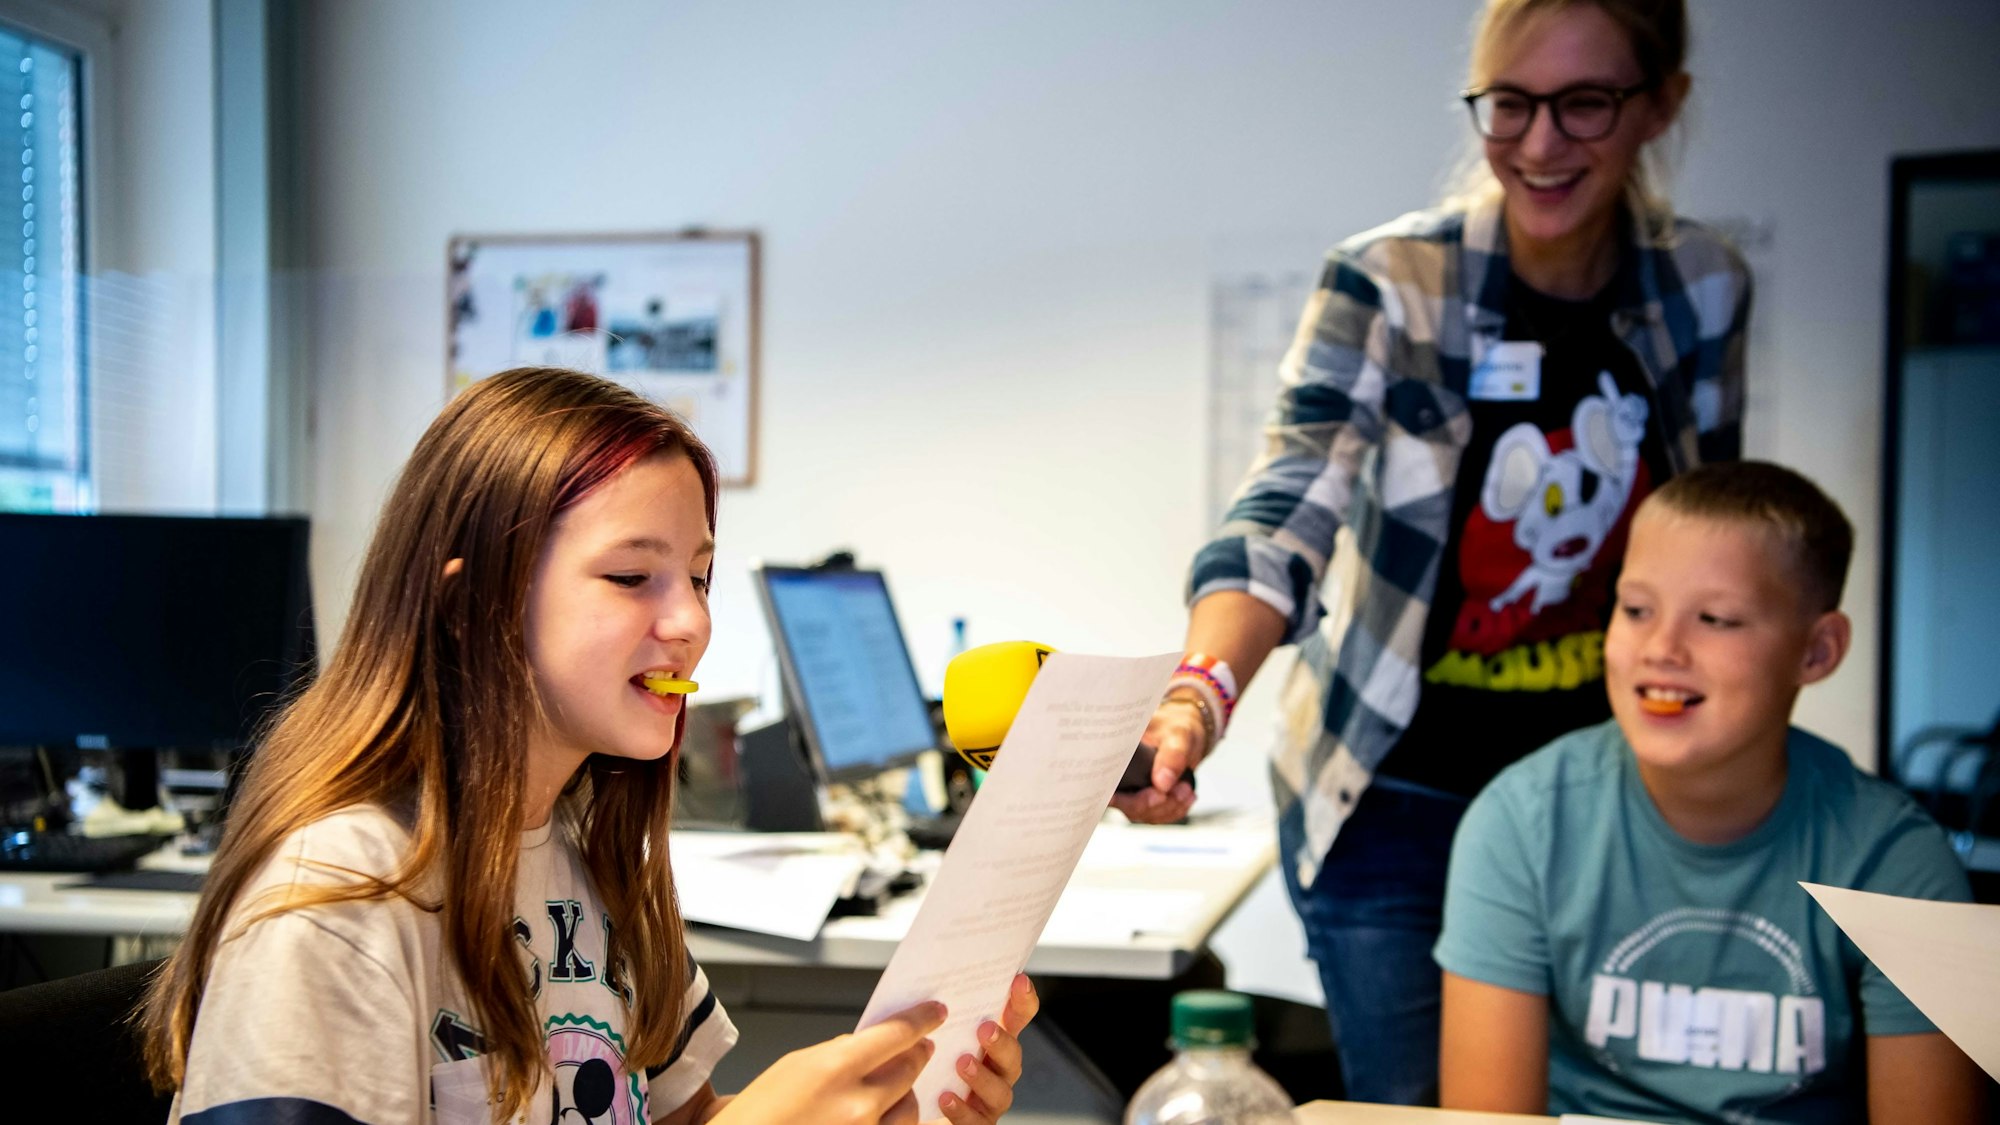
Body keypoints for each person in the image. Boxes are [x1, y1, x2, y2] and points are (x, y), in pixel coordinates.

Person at [1117, 0, 1751, 1104]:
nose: (1539, 144)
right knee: (1417, 1113)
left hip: (1596, 799)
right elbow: (1287, 506)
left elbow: (1713, 545)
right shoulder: (1394, 281)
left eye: (1583, 103)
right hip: (1391, 802)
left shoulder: (1697, 287)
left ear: (1659, 105)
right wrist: (1196, 695)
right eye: (1508, 104)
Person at [139, 367, 1037, 1125]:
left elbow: (682, 1114)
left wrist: (877, 1098)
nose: (690, 621)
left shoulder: (592, 851)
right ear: (469, 607)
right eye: (631, 577)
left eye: (697, 575)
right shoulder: (332, 908)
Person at [1434, 462, 1985, 1122]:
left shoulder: (1900, 866)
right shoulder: (1520, 824)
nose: (1661, 647)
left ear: (1816, 651)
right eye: (1636, 609)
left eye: (1717, 618)